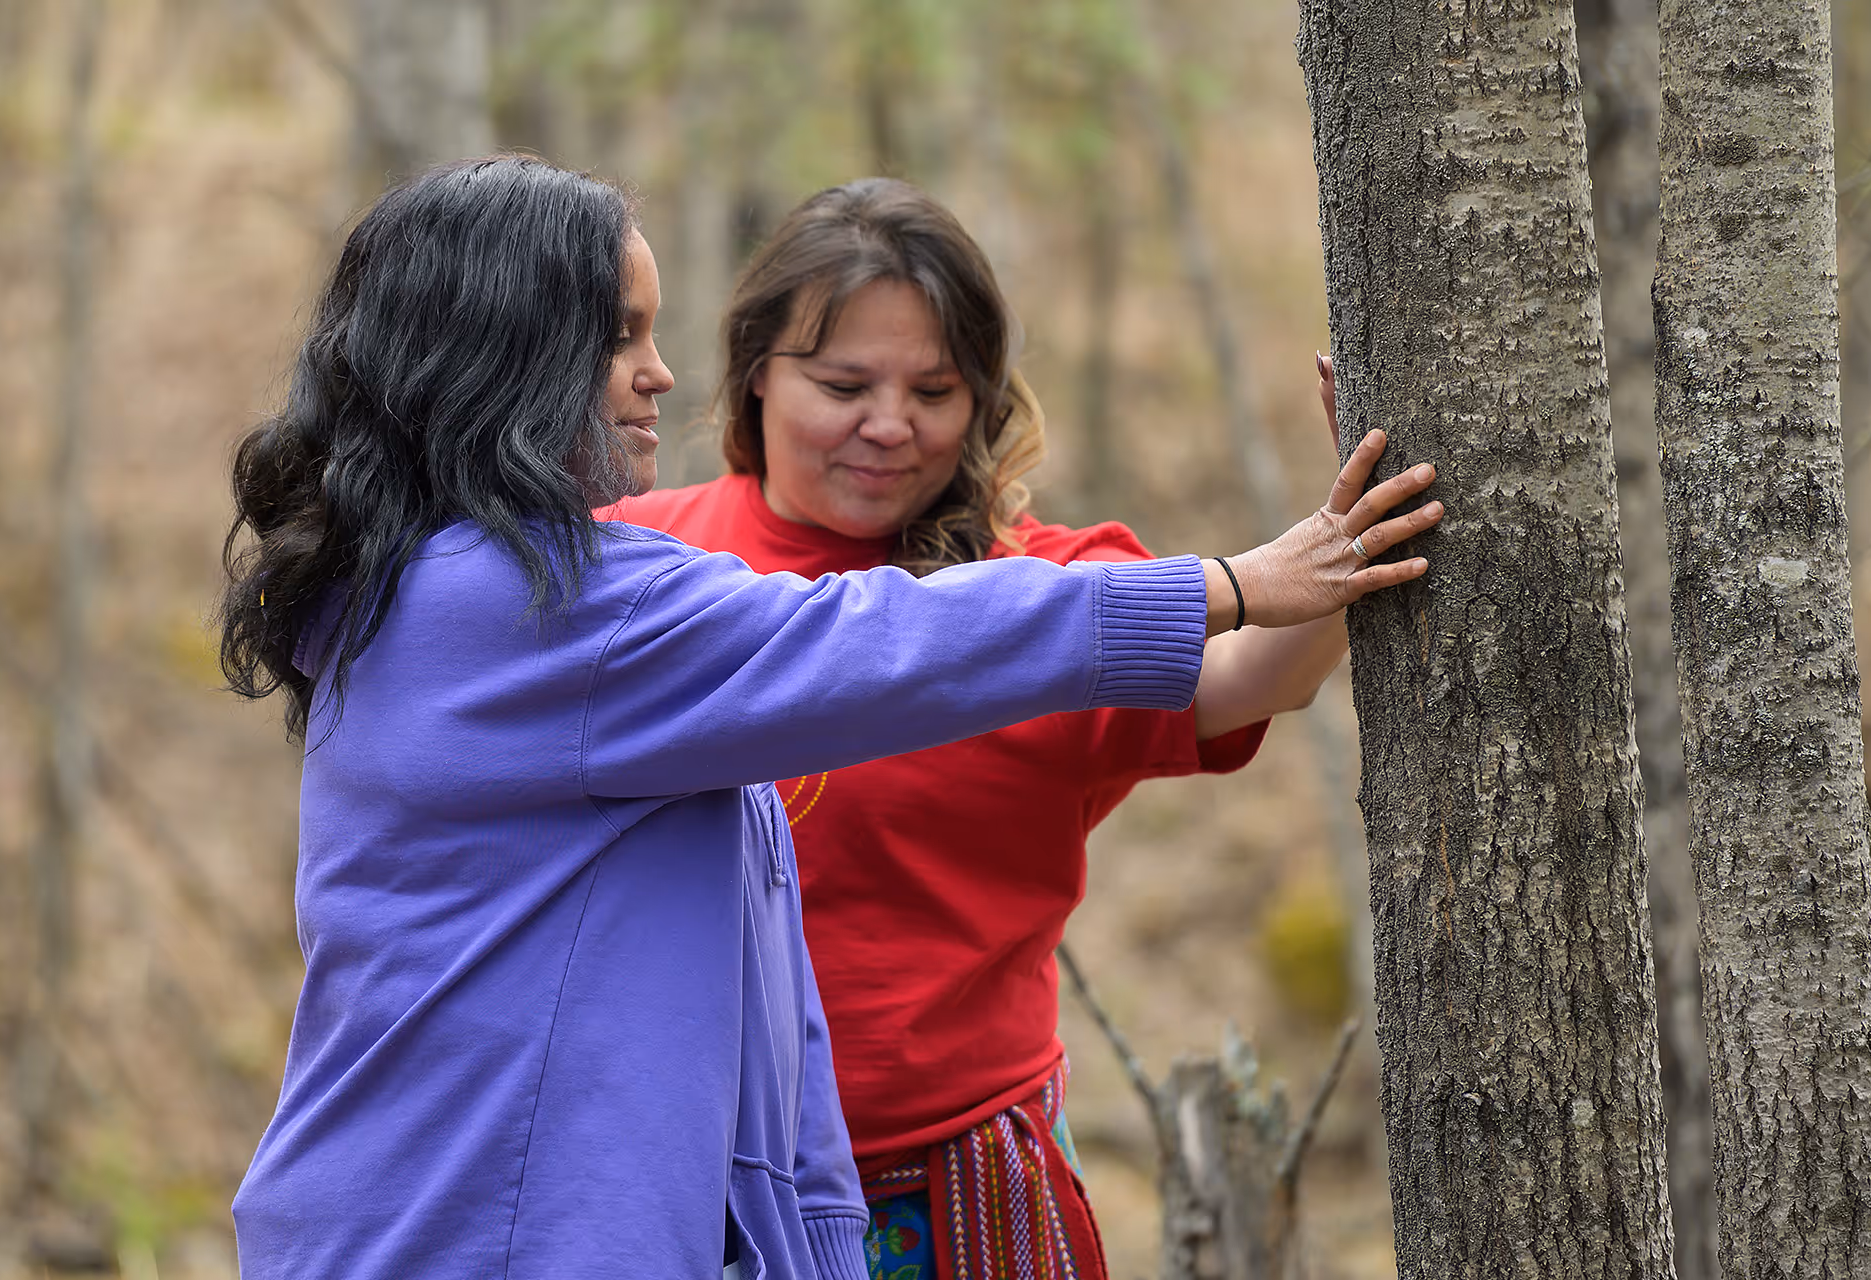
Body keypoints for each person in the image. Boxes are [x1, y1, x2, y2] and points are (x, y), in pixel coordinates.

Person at [217, 158, 1438, 1280]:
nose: (659, 372)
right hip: (488, 1219)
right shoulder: (555, 599)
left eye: (933, 388)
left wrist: (1323, 562)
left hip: (723, 1191)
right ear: (509, 359)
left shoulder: (461, 583)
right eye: (621, 337)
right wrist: (1223, 581)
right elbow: (870, 645)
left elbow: (1227, 678)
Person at [609, 178, 1436, 1279]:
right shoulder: (639, 560)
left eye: (935, 389)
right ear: (756, 373)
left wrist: (1342, 547)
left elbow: (1250, 671)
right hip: (682, 1182)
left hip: (954, 1190)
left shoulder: (1051, 593)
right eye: (843, 382)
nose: (890, 426)